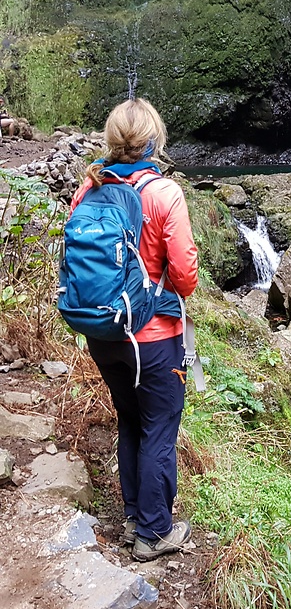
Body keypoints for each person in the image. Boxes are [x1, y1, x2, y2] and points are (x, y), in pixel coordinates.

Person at [71, 97, 198, 560]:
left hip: (104, 333)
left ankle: (133, 516)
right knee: (160, 426)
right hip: (155, 338)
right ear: (154, 140)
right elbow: (184, 277)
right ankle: (153, 533)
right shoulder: (164, 194)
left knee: (130, 419)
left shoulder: (88, 190)